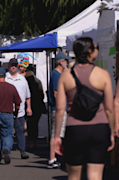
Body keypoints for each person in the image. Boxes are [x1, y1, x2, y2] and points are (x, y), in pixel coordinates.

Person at [54, 38, 115, 180]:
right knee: (95, 175)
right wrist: (111, 132)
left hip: (75, 128)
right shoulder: (102, 75)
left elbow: (60, 109)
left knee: (74, 176)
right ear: (90, 52)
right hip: (99, 128)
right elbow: (109, 109)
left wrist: (57, 136)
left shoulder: (66, 76)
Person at [0, 67, 21, 164]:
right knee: (8, 135)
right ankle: (6, 148)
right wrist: (16, 112)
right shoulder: (11, 87)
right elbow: (18, 102)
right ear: (5, 76)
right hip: (8, 113)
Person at [47, 52, 70, 169]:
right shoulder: (56, 74)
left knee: (58, 133)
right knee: (56, 134)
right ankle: (52, 158)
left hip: (59, 108)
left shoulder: (57, 74)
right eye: (66, 61)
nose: (68, 63)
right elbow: (56, 93)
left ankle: (55, 158)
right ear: (61, 62)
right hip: (58, 108)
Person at [5, 58, 31, 159]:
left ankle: (22, 151)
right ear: (9, 65)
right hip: (7, 110)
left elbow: (28, 95)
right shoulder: (6, 78)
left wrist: (29, 107)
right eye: (12, 65)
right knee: (8, 132)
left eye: (15, 65)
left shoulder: (22, 79)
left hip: (20, 112)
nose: (14, 67)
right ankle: (7, 150)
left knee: (20, 131)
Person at [25, 70, 46, 149]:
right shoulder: (38, 83)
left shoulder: (27, 84)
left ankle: (31, 142)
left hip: (30, 106)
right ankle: (34, 141)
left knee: (30, 125)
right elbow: (42, 95)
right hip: (38, 106)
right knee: (35, 125)